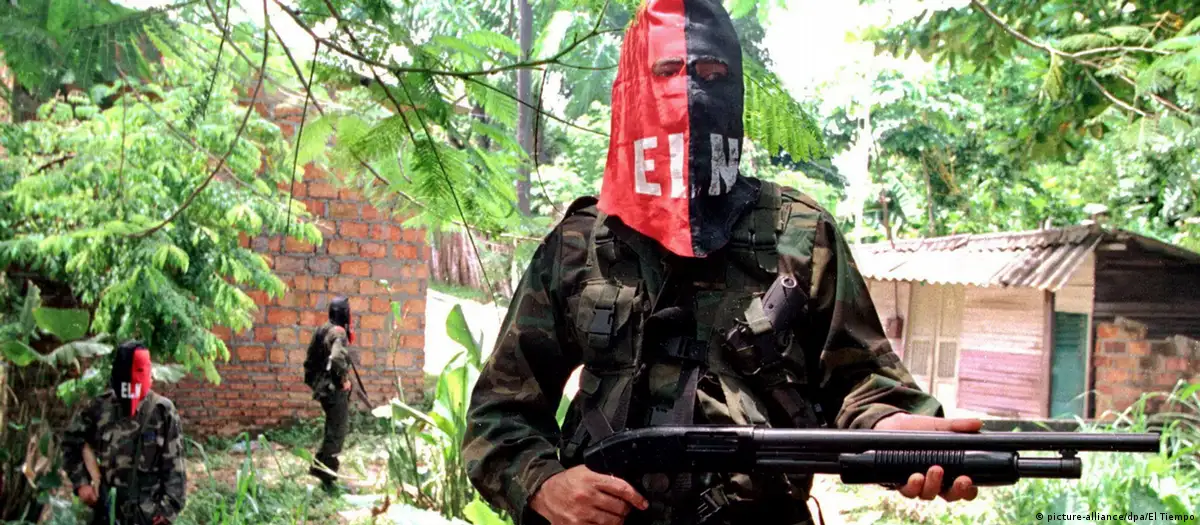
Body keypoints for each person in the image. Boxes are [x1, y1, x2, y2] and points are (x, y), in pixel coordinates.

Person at [461, 1, 983, 524]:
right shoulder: (580, 244)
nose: (691, 93)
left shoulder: (800, 234)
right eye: (667, 73)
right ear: (632, 90)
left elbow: (861, 383)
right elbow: (498, 414)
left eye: (712, 75)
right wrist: (544, 484)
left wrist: (892, 429)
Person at [62, 340, 186, 525]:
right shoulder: (100, 407)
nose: (138, 378)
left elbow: (175, 466)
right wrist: (82, 484)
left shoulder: (162, 411)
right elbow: (71, 442)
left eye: (143, 370)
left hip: (148, 514)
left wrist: (167, 512)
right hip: (107, 511)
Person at [303, 296, 354, 492]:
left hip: (321, 385)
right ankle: (326, 477)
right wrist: (343, 381)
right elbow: (337, 358)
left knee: (333, 430)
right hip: (331, 388)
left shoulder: (324, 328)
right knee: (337, 432)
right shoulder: (338, 332)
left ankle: (321, 469)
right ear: (344, 314)